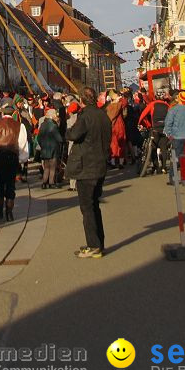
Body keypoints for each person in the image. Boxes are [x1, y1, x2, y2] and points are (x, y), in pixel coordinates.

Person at [66, 87, 112, 258]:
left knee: (87, 208)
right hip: (99, 165)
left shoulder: (85, 116)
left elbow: (74, 134)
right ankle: (99, 243)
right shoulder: (103, 115)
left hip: (86, 167)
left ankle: (93, 245)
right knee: (94, 206)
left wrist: (67, 129)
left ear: (82, 100)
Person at [0, 98, 29, 221]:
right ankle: (9, 211)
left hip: (0, 157)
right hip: (12, 157)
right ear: (12, 112)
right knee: (11, 184)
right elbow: (23, 144)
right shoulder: (19, 126)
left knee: (0, 183)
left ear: (2, 112)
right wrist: (22, 159)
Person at [37, 108, 63, 188]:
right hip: (53, 149)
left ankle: (44, 183)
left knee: (46, 167)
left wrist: (42, 145)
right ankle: (51, 183)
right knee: (52, 167)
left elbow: (38, 138)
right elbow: (59, 139)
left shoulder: (43, 125)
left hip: (44, 149)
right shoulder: (53, 126)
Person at [105, 90, 127, 168]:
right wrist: (120, 98)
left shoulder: (108, 107)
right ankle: (121, 163)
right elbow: (125, 102)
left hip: (112, 126)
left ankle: (113, 162)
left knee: (113, 144)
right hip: (119, 125)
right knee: (121, 143)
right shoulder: (119, 104)